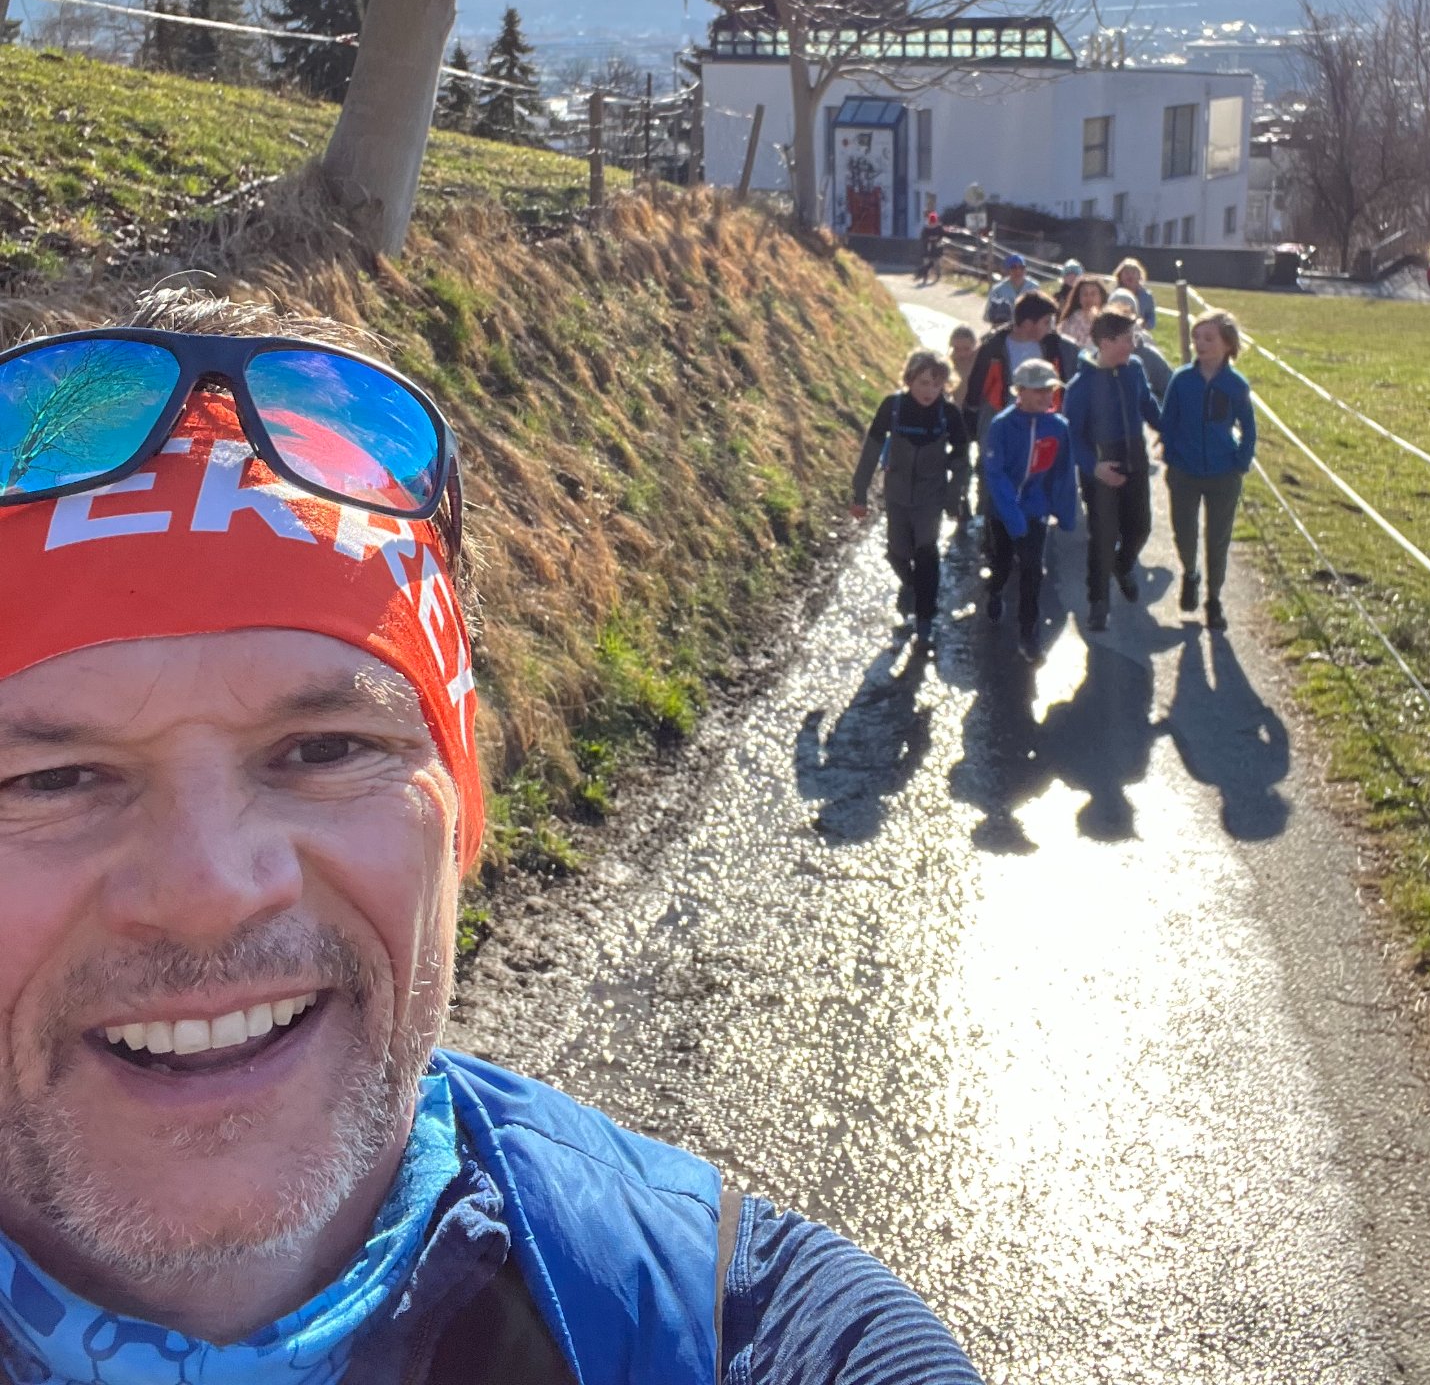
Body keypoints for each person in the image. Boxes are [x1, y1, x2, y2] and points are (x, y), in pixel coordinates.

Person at [0, 294, 984, 1385]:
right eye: (52, 778)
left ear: (462, 808)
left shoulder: (750, 1331)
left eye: (324, 750)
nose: (208, 888)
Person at [852, 349, 968, 647]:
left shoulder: (948, 414)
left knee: (926, 552)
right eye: (924, 383)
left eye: (937, 385)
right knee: (898, 552)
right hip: (897, 494)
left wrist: (954, 495)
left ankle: (925, 620)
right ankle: (913, 587)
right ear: (909, 379)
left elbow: (961, 456)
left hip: (931, 495)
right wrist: (860, 492)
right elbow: (871, 450)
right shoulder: (892, 408)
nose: (930, 391)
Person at [1063, 308, 1163, 632]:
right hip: (1101, 470)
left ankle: (1123, 565)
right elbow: (1072, 435)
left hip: (1135, 461)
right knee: (1103, 538)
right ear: (1105, 343)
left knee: (1140, 528)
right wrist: (1094, 467)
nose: (1133, 345)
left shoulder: (1134, 369)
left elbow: (1147, 404)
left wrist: (1168, 430)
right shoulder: (1081, 385)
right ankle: (1098, 603)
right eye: (1127, 339)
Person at [1158, 308, 1257, 632]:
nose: (1200, 344)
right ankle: (1190, 573)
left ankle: (1214, 600)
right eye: (1196, 337)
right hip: (1184, 472)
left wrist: (1241, 461)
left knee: (1218, 538)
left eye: (1209, 338)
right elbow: (1168, 420)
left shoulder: (1235, 384)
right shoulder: (1182, 380)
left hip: (1223, 473)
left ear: (1227, 344)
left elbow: (1249, 427)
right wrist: (1171, 454)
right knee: (1184, 532)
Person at [980, 357, 1076, 661]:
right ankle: (995, 591)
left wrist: (1066, 512)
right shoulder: (1002, 425)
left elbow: (1063, 472)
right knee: (1002, 563)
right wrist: (1012, 515)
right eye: (1038, 390)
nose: (1046, 396)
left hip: (1035, 510)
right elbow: (995, 473)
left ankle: (1028, 632)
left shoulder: (1058, 427)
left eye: (1050, 390)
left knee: (1033, 569)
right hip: (1003, 511)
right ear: (1019, 391)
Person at [966, 291, 1074, 428]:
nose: (1049, 329)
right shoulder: (993, 348)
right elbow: (976, 386)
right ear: (1028, 324)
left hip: (1042, 423)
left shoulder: (1054, 346)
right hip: (1003, 422)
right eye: (1046, 322)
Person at [947, 324, 980, 520]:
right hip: (959, 416)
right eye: (957, 349)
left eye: (966, 349)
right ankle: (961, 498)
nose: (961, 354)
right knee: (962, 460)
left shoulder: (981, 360)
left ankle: (982, 500)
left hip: (980, 413)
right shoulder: (948, 364)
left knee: (983, 461)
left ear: (974, 346)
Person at [983, 252, 1036, 329]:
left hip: (1028, 330)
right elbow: (988, 316)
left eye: (1021, 267)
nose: (1018, 271)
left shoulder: (1034, 287)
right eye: (1014, 268)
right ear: (1007, 270)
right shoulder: (998, 290)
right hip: (1004, 330)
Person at [1056, 275, 1108, 349]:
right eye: (1085, 294)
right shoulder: (1070, 322)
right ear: (1079, 298)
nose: (1089, 298)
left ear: (1101, 296)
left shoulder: (1108, 321)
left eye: (1093, 294)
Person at [1111, 257, 1157, 332]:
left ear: (1139, 275)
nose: (1130, 275)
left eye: (1133, 272)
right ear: (1120, 276)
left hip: (1140, 332)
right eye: (1126, 272)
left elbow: (1151, 319)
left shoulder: (1147, 296)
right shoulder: (1114, 295)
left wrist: (1143, 324)